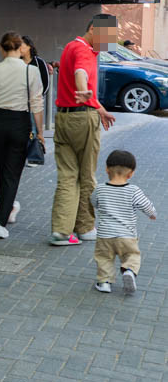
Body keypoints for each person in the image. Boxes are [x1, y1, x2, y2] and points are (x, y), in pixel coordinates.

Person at [49, 14, 117, 246]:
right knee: (87, 175)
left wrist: (100, 108)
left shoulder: (71, 46)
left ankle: (61, 231)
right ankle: (86, 227)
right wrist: (84, 94)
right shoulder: (85, 51)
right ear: (93, 29)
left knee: (67, 176)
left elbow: (80, 77)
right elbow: (81, 74)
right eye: (108, 37)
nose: (109, 43)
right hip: (82, 119)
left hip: (64, 118)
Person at [0, 32, 44, 239]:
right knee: (12, 172)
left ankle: (7, 208)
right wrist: (40, 132)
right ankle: (1, 220)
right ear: (20, 48)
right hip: (20, 122)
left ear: (1, 48)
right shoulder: (31, 72)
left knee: (2, 169)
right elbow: (36, 104)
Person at [91, 150, 156, 295]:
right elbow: (147, 206)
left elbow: (93, 202)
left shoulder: (100, 189)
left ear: (107, 169)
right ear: (131, 173)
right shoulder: (133, 191)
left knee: (104, 258)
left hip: (105, 235)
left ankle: (104, 283)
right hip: (127, 235)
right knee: (132, 255)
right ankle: (129, 271)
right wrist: (152, 214)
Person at [20, 35, 51, 168]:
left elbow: (45, 83)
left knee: (33, 129)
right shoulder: (16, 62)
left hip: (34, 102)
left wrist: (38, 97)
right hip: (19, 102)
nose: (20, 48)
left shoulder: (39, 62)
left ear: (30, 47)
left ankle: (33, 156)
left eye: (23, 45)